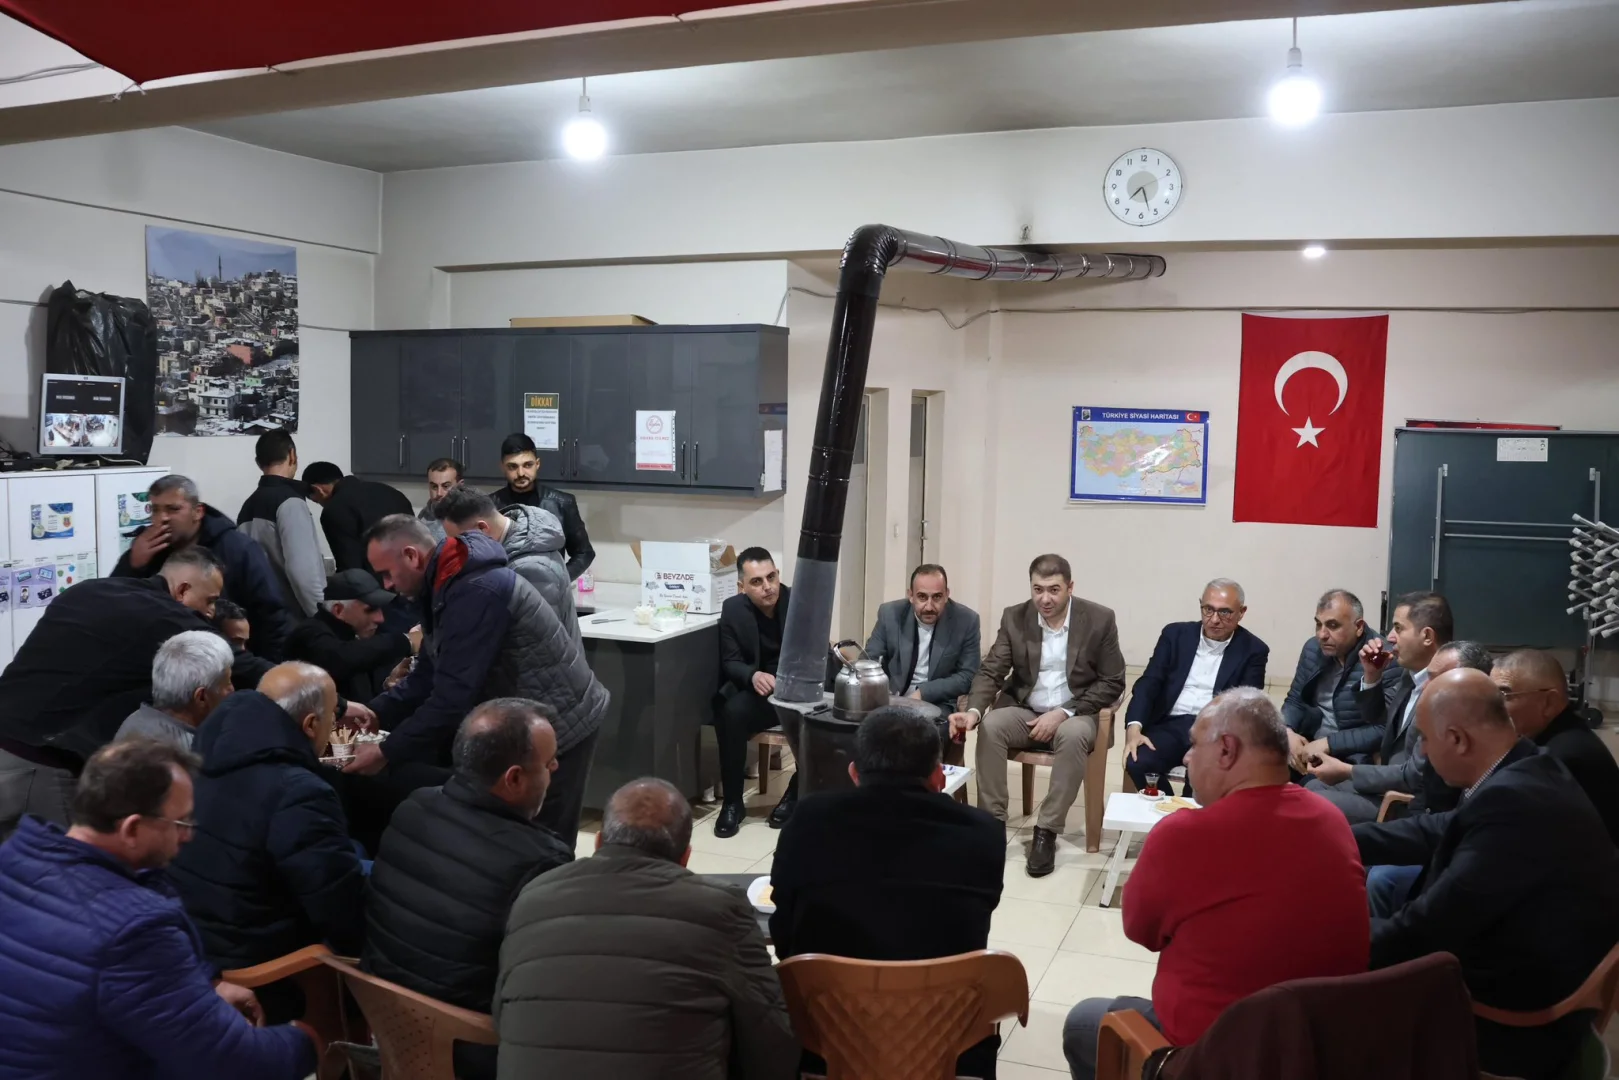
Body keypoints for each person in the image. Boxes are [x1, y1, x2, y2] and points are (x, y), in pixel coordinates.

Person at [1063, 688, 1369, 1080]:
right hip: (1317, 1049)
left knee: (1083, 1022)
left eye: (1194, 745)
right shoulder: (1332, 819)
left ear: (1226, 750)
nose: (1186, 758)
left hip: (1211, 1057)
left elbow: (1141, 930)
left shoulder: (1183, 834)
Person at [1353, 668, 1619, 1080]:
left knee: (1318, 1008)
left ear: (1457, 739)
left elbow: (1428, 927)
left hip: (1510, 1024)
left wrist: (1328, 937)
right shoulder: (1528, 766)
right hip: (1534, 976)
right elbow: (1439, 829)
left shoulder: (1513, 804)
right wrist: (1340, 837)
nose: (1422, 751)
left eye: (1424, 739)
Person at [0, 740, 319, 1080]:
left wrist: (205, 984)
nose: (187, 837)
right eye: (180, 823)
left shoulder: (14, 857)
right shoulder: (133, 928)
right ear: (132, 828)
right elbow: (229, 1061)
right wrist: (306, 1040)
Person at [495, 778, 798, 1080]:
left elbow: (502, 1014)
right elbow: (771, 1042)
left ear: (599, 843)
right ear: (685, 858)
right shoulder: (720, 908)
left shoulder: (531, 898)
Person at [770, 706, 1005, 1078]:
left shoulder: (809, 820)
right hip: (948, 1044)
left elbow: (783, 935)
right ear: (939, 776)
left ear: (854, 773)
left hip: (825, 1042)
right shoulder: (983, 834)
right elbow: (974, 926)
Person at [358, 515, 608, 849]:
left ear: (412, 556)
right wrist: (375, 712)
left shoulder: (474, 590)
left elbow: (451, 697)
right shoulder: (446, 583)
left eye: (387, 573)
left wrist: (386, 751)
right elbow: (430, 672)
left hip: (560, 722)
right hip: (525, 719)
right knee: (510, 840)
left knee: (543, 843)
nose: (387, 585)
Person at [364, 699, 573, 1080]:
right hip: (467, 1049)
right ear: (513, 779)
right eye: (549, 762)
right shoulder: (541, 861)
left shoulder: (413, 807)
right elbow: (550, 983)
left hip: (389, 1028)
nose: (556, 768)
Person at [0, 547, 251, 839]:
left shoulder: (89, 590)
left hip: (9, 742)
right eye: (210, 601)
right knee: (68, 862)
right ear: (182, 590)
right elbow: (241, 664)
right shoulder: (163, 616)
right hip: (37, 764)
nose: (210, 613)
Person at [169, 663, 366, 1007]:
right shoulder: (298, 792)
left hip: (199, 940)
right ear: (310, 725)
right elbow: (342, 913)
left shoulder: (202, 750)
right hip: (266, 968)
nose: (335, 725)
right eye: (334, 715)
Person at [948, 553, 1126, 877]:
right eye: (1038, 589)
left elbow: (1113, 680)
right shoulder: (1015, 617)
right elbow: (992, 670)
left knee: (1072, 735)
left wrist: (1063, 712)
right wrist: (974, 711)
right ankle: (991, 825)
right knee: (991, 726)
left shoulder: (1099, 619)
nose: (1045, 599)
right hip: (1026, 709)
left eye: (1054, 590)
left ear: (1070, 587)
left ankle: (1046, 831)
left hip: (1077, 712)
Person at [1303, 593, 1456, 822]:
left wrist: (1346, 771)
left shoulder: (1446, 690)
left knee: (1308, 802)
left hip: (1409, 802)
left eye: (1399, 628)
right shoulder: (1410, 676)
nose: (1390, 637)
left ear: (1426, 636)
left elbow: (1415, 775)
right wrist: (1372, 676)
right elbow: (1377, 719)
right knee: (1311, 787)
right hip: (1387, 781)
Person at [114, 473, 297, 661]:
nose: (162, 518)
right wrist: (132, 564)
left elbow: (272, 616)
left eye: (173, 509)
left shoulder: (239, 549)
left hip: (230, 661)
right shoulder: (147, 549)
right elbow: (114, 605)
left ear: (198, 512)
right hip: (164, 662)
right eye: (155, 510)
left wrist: (268, 670)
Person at [1123, 578, 1268, 797]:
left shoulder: (1253, 650)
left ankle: (1192, 815)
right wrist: (1134, 728)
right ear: (1200, 605)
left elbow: (1246, 706)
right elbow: (1149, 682)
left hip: (1216, 729)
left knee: (1205, 771)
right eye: (1208, 609)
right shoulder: (1174, 635)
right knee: (1137, 760)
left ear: (1241, 612)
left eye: (1225, 612)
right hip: (1170, 724)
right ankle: (1170, 810)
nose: (1215, 619)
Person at [1493, 649, 1619, 845]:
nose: (1492, 709)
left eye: (1504, 696)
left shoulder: (1559, 758)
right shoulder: (1562, 735)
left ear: (1549, 703)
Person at [861, 563, 982, 759]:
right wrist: (882, 691)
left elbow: (968, 675)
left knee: (928, 737)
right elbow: (869, 659)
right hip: (891, 697)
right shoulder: (890, 614)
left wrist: (923, 693)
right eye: (922, 597)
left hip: (937, 701)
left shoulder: (966, 621)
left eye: (937, 597)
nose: (929, 606)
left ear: (947, 594)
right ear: (911, 595)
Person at [713, 547, 794, 838]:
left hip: (797, 688)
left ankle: (795, 794)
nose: (767, 586)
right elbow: (730, 661)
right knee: (730, 712)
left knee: (818, 719)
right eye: (757, 581)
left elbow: (815, 652)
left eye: (771, 577)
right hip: (762, 691)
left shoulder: (796, 601)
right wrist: (752, 675)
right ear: (742, 587)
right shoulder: (733, 609)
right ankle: (733, 803)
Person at [434, 485, 579, 641]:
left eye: (460, 541)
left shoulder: (530, 568)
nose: (459, 549)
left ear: (482, 528)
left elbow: (535, 643)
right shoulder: (508, 546)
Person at [1280, 588, 1403, 770]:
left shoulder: (1384, 658)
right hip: (1309, 741)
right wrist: (1287, 730)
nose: (1322, 635)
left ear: (1359, 627)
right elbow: (1295, 700)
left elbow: (1384, 729)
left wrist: (1329, 743)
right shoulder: (1313, 648)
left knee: (1310, 786)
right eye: (1318, 624)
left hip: (1352, 756)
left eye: (1333, 625)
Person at [284, 569, 418, 703]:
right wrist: (406, 641)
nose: (380, 618)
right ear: (338, 610)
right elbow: (343, 659)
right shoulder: (309, 634)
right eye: (370, 610)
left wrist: (387, 685)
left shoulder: (355, 633)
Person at [236, 429, 327, 618]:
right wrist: (322, 617)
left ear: (258, 463)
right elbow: (303, 573)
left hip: (262, 615)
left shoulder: (248, 505)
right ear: (292, 455)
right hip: (294, 617)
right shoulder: (290, 502)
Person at [491, 432, 594, 580]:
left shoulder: (562, 503)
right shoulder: (489, 506)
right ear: (502, 467)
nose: (521, 473)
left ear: (537, 464)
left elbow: (584, 553)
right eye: (512, 466)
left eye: (528, 465)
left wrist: (560, 580)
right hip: (505, 589)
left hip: (549, 591)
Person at [114, 630, 236, 751]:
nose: (232, 690)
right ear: (201, 697)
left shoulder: (136, 719)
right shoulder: (190, 753)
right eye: (228, 683)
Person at [301, 460, 414, 573]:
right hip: (412, 576)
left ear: (318, 489)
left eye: (316, 500)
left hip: (376, 580)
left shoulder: (334, 510)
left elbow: (350, 568)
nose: (320, 504)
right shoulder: (393, 493)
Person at [418, 456, 463, 543]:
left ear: (460, 485)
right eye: (434, 486)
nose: (439, 493)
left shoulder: (472, 518)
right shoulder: (423, 516)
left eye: (446, 486)